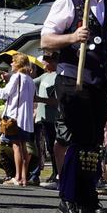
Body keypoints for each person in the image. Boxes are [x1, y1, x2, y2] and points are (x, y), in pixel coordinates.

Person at [40, 0, 107, 213]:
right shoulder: (69, 3)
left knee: (94, 144)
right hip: (73, 79)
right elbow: (46, 40)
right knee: (80, 139)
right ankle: (72, 198)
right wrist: (73, 36)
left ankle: (85, 199)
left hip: (100, 81)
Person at [0, 55, 36, 189]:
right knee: (23, 147)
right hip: (27, 119)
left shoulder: (16, 77)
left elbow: (3, 94)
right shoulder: (30, 80)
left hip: (15, 118)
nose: (11, 63)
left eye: (13, 61)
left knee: (16, 147)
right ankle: (24, 178)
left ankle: (18, 177)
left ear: (19, 64)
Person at [33, 57, 61, 188]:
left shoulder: (58, 77)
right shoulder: (44, 76)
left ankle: (58, 173)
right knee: (49, 148)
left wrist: (40, 99)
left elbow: (57, 101)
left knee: (55, 147)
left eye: (47, 61)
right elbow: (29, 82)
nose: (44, 63)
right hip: (43, 118)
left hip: (53, 118)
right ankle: (54, 173)